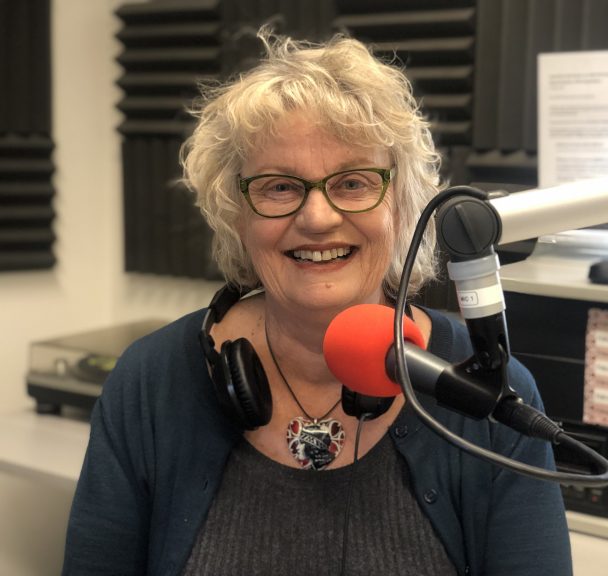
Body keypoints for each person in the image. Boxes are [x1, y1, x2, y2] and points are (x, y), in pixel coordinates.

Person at [62, 29, 572, 576]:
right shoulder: (149, 382)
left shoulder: (490, 397)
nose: (317, 218)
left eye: (353, 182)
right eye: (280, 187)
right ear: (237, 215)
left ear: (401, 204)